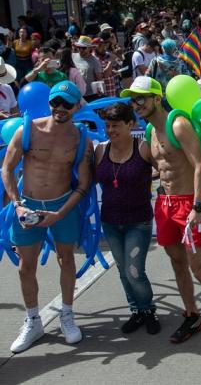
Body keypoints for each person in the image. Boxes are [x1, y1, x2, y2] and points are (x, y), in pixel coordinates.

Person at [123, 76, 201, 348]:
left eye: (140, 98)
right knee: (177, 263)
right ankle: (192, 315)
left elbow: (200, 166)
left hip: (187, 205)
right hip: (165, 204)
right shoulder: (149, 132)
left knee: (199, 268)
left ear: (156, 99)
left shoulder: (178, 125)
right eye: (132, 99)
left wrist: (197, 206)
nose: (135, 104)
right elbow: (152, 166)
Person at [2, 81, 92, 353]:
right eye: (56, 102)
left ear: (77, 105)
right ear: (49, 103)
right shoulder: (27, 130)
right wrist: (17, 205)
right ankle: (33, 320)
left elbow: (83, 185)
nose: (60, 108)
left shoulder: (80, 138)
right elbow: (6, 169)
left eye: (67, 103)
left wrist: (60, 213)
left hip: (62, 206)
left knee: (66, 259)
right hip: (27, 205)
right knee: (25, 266)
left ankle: (67, 314)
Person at [94, 103, 160, 335]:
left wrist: (148, 177)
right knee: (123, 271)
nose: (111, 130)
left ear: (130, 124)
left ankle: (148, 310)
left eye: (116, 125)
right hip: (110, 221)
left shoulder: (142, 147)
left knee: (134, 271)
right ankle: (136, 311)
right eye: (107, 126)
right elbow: (88, 178)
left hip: (138, 221)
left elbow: (165, 167)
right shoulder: (100, 150)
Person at [72, 36, 104, 101]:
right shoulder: (73, 56)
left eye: (83, 48)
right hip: (75, 94)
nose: (80, 50)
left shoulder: (95, 61)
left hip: (89, 95)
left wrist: (100, 92)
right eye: (79, 47)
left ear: (90, 48)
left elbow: (99, 79)